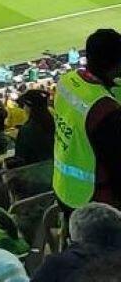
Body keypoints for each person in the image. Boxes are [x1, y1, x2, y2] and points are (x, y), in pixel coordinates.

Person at [55, 27, 121, 209]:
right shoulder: (103, 109)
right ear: (115, 64)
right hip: (94, 197)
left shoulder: (67, 82)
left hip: (63, 185)